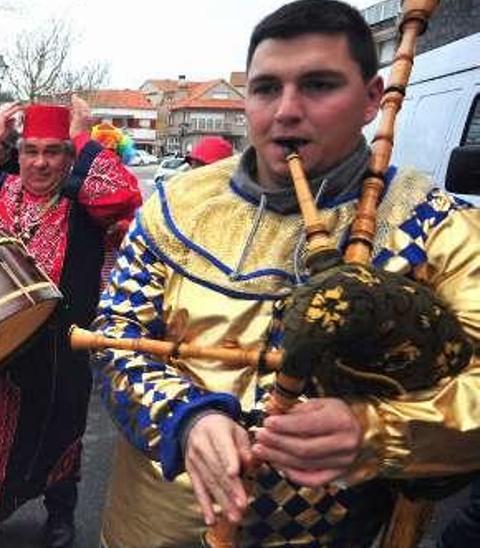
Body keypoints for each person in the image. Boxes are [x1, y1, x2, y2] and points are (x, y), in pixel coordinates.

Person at [91, 1, 480, 545]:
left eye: (319, 85)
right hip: (149, 527)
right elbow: (115, 338)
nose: (286, 111)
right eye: (266, 88)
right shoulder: (177, 203)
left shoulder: (439, 227)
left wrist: (374, 431)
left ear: (373, 99)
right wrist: (188, 418)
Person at [0, 100, 141, 548]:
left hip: (61, 351)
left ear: (69, 156)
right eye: (31, 150)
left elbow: (122, 193)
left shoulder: (84, 205)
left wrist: (84, 135)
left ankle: (60, 514)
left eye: (54, 151)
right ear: (19, 152)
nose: (41, 162)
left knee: (62, 434)